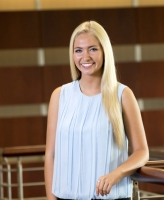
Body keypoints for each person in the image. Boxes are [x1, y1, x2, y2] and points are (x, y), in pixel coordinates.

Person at [44, 21, 149, 200]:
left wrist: (117, 173)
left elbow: (142, 151)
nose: (85, 57)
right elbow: (50, 155)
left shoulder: (122, 95)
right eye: (78, 50)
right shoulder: (59, 96)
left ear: (104, 51)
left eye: (92, 49)